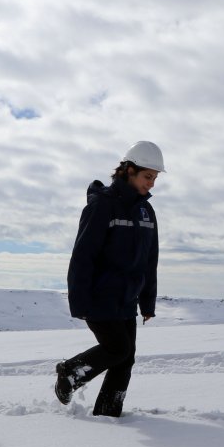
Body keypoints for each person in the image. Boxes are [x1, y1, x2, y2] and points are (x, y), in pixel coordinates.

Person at [55, 141, 163, 417]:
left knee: (125, 359)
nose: (151, 183)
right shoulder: (102, 206)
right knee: (117, 349)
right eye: (147, 176)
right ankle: (70, 372)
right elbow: (83, 257)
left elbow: (149, 261)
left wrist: (147, 302)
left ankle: (109, 413)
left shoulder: (146, 212)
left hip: (127, 298)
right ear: (129, 170)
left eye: (154, 178)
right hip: (99, 295)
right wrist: (79, 301)